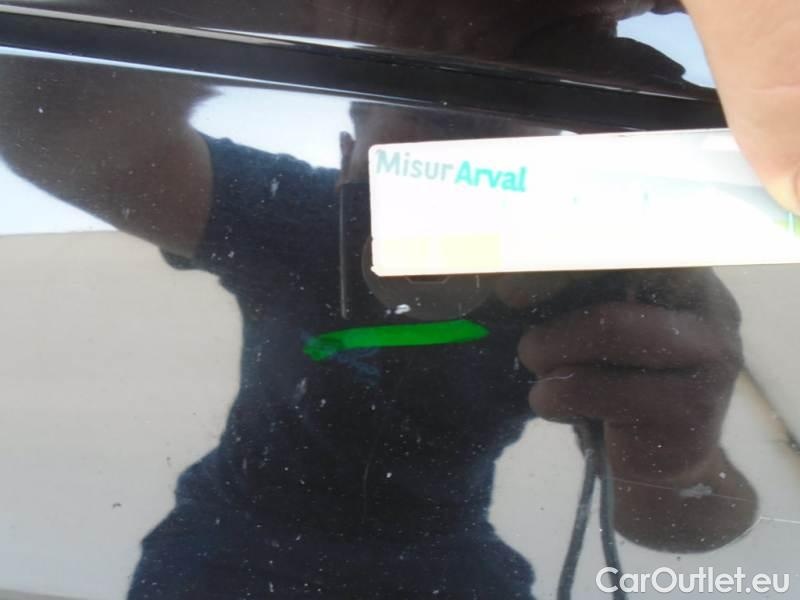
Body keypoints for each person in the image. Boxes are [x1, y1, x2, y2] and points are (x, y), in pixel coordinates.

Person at [0, 1, 783, 597]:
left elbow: (685, 523)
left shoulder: (594, 269)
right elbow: (44, 119)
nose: (456, 170)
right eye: (426, 127)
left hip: (418, 553)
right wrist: (359, 12)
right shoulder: (299, 216)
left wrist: (676, 459)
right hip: (241, 537)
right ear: (348, 155)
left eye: (484, 137)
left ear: (545, 158)